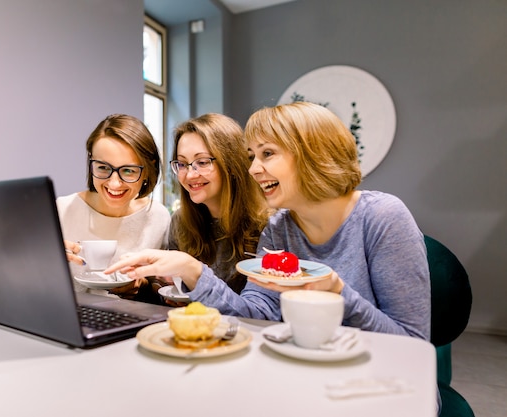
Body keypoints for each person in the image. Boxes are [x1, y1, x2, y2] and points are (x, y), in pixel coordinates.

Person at [105, 102, 431, 341]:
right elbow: (256, 316)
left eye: (267, 154)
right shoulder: (279, 231)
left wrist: (338, 291)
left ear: (312, 153)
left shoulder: (382, 217)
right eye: (251, 157)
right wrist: (192, 271)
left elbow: (412, 345)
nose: (252, 170)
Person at [58, 113, 171, 303]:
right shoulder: (62, 210)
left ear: (148, 170)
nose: (115, 183)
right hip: (67, 318)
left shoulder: (158, 217)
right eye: (103, 168)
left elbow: (162, 290)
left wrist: (141, 286)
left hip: (129, 322)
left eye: (128, 171)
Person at [166, 113, 270, 295]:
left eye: (203, 162)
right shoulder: (181, 221)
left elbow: (262, 308)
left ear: (230, 163)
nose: (190, 175)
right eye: (182, 164)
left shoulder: (268, 224)